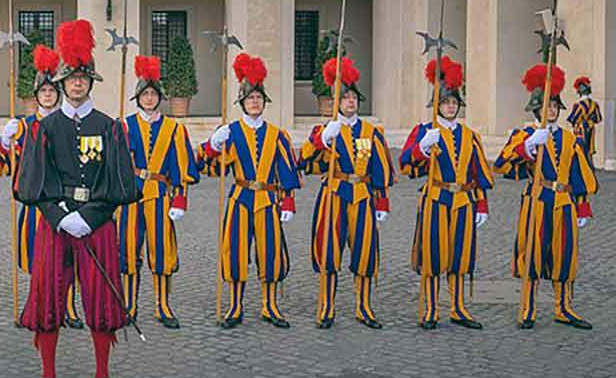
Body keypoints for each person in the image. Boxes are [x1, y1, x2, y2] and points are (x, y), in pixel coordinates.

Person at [16, 19, 139, 378]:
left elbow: (119, 181)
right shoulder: (45, 127)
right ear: (62, 81)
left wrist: (92, 215)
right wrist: (58, 215)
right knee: (48, 299)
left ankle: (103, 376)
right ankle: (47, 377)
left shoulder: (110, 127)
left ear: (90, 82)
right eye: (71, 78)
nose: (77, 84)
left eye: (83, 78)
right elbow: (32, 182)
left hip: (97, 224)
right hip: (57, 226)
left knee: (101, 299)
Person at [199, 53, 300, 330]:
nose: (254, 102)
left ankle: (270, 305)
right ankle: (235, 305)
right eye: (249, 98)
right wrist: (213, 145)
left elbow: (286, 169)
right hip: (240, 198)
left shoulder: (277, 134)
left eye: (258, 98)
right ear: (242, 103)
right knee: (236, 252)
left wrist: (288, 200)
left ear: (263, 102)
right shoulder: (230, 131)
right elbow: (208, 166)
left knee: (270, 252)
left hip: (268, 198)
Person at [495, 64, 598, 330]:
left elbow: (579, 173)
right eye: (546, 106)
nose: (550, 111)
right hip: (538, 200)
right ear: (536, 109)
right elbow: (503, 165)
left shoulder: (570, 138)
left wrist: (582, 205)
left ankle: (563, 308)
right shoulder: (525, 135)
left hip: (563, 201)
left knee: (564, 254)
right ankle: (528, 307)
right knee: (533, 252)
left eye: (554, 106)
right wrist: (529, 146)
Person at [298, 57, 394, 330]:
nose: (351, 102)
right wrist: (323, 139)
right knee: (329, 250)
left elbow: (379, 166)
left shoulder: (370, 131)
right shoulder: (325, 129)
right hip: (334, 193)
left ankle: (364, 306)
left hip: (363, 194)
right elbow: (305, 160)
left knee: (365, 252)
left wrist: (382, 201)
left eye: (354, 98)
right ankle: (326, 306)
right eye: (346, 98)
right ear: (336, 102)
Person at [398, 56, 493, 330]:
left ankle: (458, 307)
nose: (450, 107)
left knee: (460, 255)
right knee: (433, 255)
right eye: (445, 103)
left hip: (463, 200)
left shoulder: (469, 135)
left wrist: (482, 205)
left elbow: (478, 172)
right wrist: (423, 148)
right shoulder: (424, 130)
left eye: (454, 103)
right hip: (436, 199)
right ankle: (429, 308)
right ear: (436, 106)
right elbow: (406, 164)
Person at [0, 45, 84, 329]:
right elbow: (5, 164)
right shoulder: (23, 126)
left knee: (66, 257)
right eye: (43, 91)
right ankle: (34, 305)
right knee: (37, 258)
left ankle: (68, 307)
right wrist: (5, 142)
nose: (47, 95)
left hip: (63, 204)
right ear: (36, 96)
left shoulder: (71, 123)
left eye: (51, 91)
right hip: (36, 202)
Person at [117, 55, 198, 328]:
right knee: (128, 251)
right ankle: (129, 304)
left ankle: (163, 305)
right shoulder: (124, 125)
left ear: (159, 97)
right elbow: (115, 167)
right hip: (130, 197)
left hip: (161, 196)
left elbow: (182, 165)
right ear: (137, 97)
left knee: (162, 252)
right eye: (144, 94)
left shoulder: (174, 128)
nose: (149, 98)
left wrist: (180, 199)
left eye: (153, 94)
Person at [567, 76, 601, 166]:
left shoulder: (579, 105)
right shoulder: (595, 104)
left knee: (581, 149)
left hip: (581, 129)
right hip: (591, 128)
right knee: (589, 151)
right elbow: (598, 119)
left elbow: (572, 119)